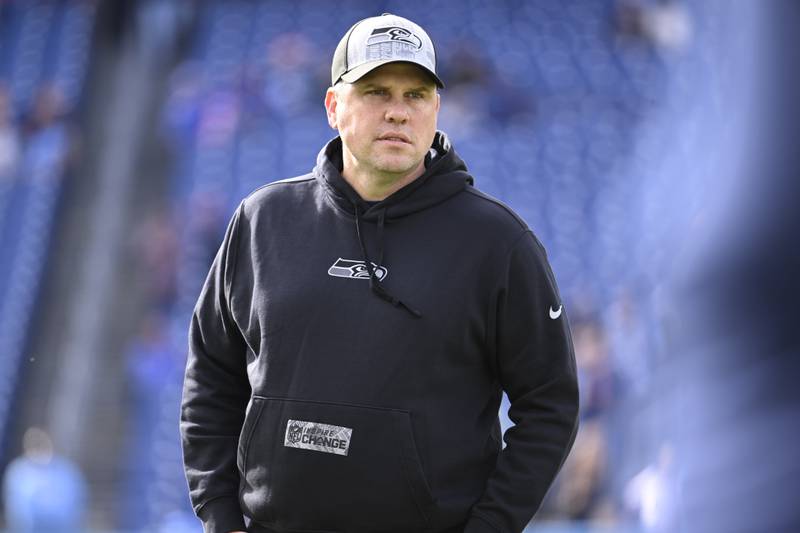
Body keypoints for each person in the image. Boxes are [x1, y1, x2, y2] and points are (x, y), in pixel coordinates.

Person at [180, 13, 579, 533]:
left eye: (416, 95)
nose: (397, 112)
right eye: (376, 92)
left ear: (437, 108)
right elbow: (211, 372)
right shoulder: (263, 220)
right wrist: (220, 514)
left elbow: (550, 402)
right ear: (332, 106)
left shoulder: (499, 243)